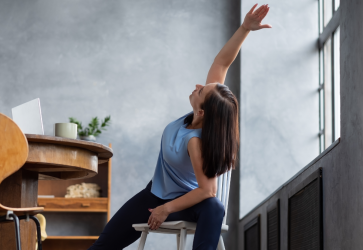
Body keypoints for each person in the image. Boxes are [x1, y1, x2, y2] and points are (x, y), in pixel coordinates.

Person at [88, 4, 271, 250]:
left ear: (202, 111)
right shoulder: (201, 114)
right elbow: (222, 62)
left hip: (184, 204)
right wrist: (245, 29)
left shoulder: (196, 141)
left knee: (214, 207)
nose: (198, 85)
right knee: (102, 246)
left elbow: (208, 191)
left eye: (201, 89)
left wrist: (166, 208)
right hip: (152, 195)